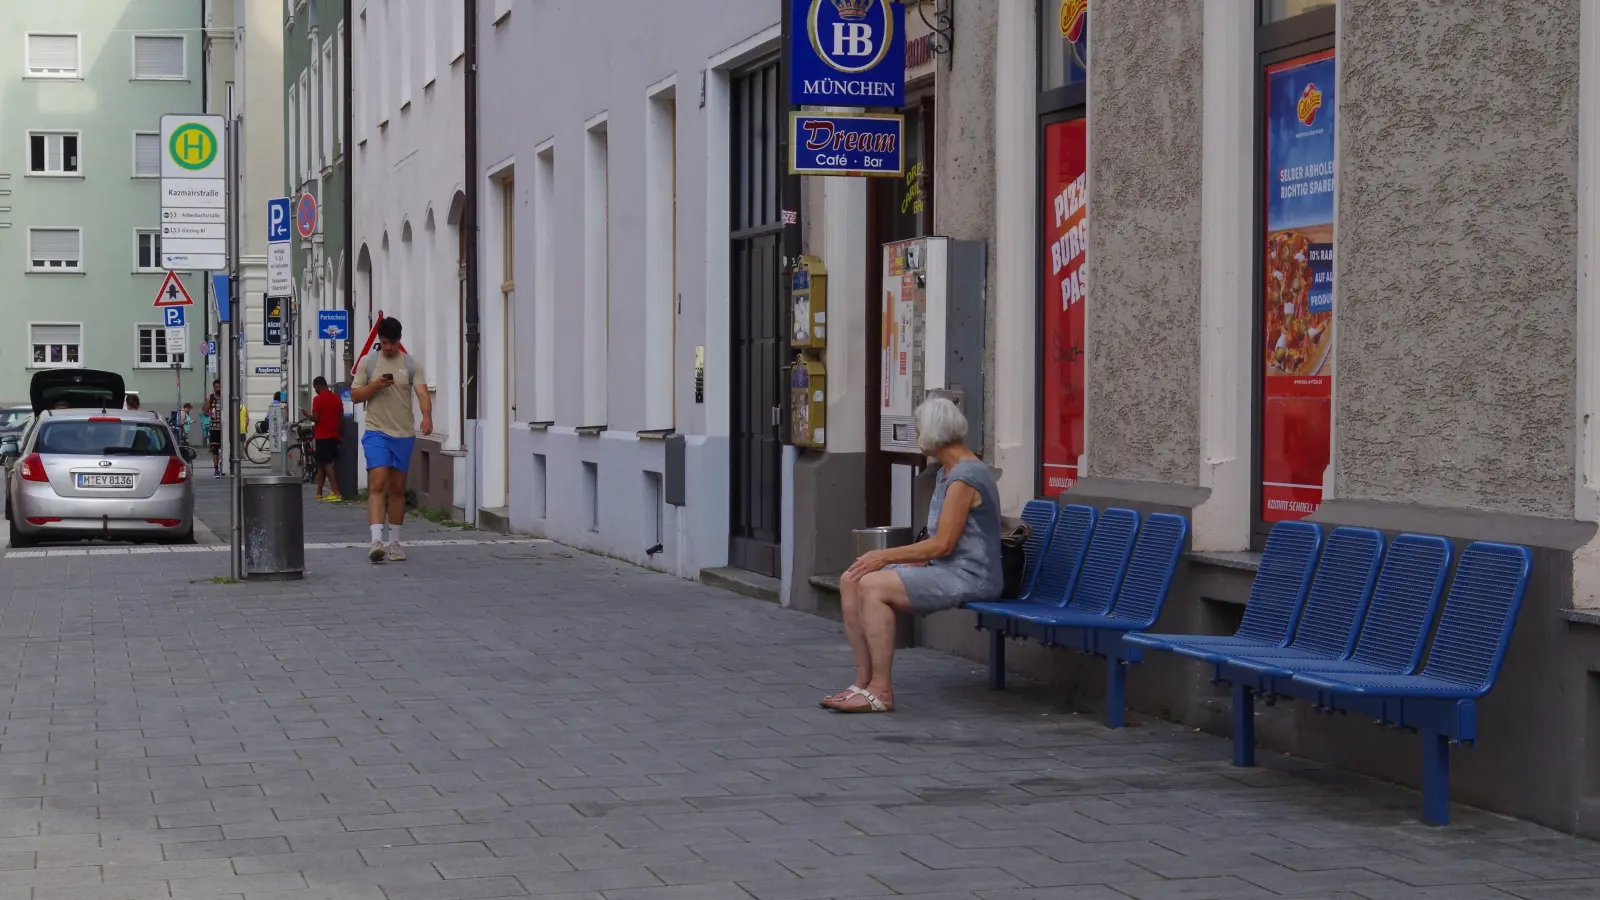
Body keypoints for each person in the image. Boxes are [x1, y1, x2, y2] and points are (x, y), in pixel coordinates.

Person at [824, 398, 1002, 713]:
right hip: (946, 567)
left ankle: (881, 692)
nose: (916, 434)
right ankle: (862, 682)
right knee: (852, 578)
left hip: (970, 575)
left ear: (931, 433)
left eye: (918, 428)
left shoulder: (965, 477)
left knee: (872, 586)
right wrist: (902, 560)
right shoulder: (948, 472)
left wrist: (884, 557)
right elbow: (938, 543)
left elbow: (943, 544)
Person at [350, 316, 432, 563]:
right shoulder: (369, 362)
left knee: (397, 489)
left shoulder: (410, 365)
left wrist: (427, 416)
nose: (388, 347)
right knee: (377, 483)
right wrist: (374, 386)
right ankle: (376, 541)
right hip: (376, 431)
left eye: (393, 343)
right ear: (379, 340)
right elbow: (355, 396)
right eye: (385, 343)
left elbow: (422, 392)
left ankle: (395, 543)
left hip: (403, 434)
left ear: (399, 340)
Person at [304, 376, 344, 502]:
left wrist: (307, 415)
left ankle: (337, 492)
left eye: (315, 387)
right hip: (334, 435)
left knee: (327, 464)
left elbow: (316, 418)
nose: (315, 390)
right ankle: (319, 492)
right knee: (321, 464)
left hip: (323, 435)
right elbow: (341, 417)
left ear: (319, 385)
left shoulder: (318, 399)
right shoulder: (337, 398)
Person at [206, 380, 223, 477]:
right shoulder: (211, 398)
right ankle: (216, 469)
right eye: (216, 387)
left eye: (219, 387)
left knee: (226, 449)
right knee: (215, 449)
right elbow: (205, 411)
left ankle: (223, 464)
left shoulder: (225, 397)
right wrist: (210, 413)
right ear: (214, 387)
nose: (218, 389)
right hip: (214, 427)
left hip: (225, 427)